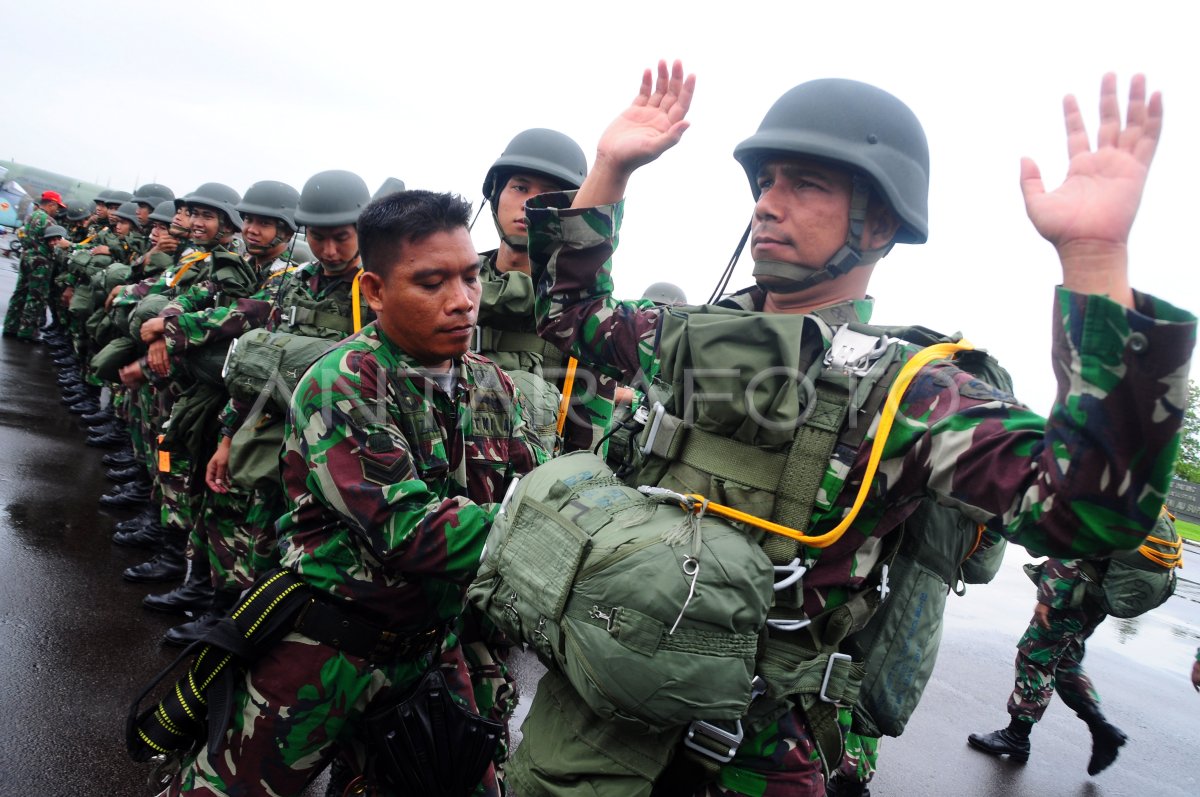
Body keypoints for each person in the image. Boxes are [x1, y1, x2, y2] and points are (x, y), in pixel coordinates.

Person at [505, 62, 1194, 797]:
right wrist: (611, 166)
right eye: (765, 181)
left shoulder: (910, 391)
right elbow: (568, 313)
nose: (768, 204)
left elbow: (1087, 510)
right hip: (600, 717)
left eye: (806, 184)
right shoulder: (684, 337)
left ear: (880, 221)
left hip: (752, 753)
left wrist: (1095, 261)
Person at [161, 189, 542, 797]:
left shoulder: (493, 385)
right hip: (330, 646)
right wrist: (558, 544)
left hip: (432, 650)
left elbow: (535, 484)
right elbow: (407, 530)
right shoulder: (344, 380)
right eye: (431, 282)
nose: (463, 301)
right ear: (376, 291)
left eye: (471, 277)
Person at [3, 188, 67, 341]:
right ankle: (27, 332)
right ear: (51, 204)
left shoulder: (31, 216)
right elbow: (55, 244)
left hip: (26, 256)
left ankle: (10, 326)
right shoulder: (49, 221)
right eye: (57, 207)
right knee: (36, 296)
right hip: (41, 261)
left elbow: (21, 234)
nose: (57, 211)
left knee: (20, 292)